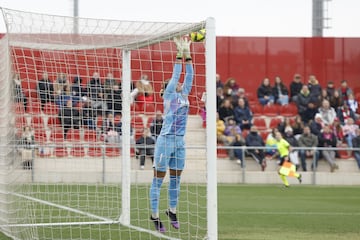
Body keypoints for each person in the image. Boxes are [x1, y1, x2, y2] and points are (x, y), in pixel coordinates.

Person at [149, 36, 193, 233]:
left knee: (176, 179)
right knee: (158, 179)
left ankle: (172, 210)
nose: (179, 83)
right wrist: (178, 54)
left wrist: (188, 54)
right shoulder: (169, 95)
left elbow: (189, 76)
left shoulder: (184, 96)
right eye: (175, 83)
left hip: (179, 142)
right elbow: (176, 76)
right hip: (165, 141)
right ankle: (154, 215)